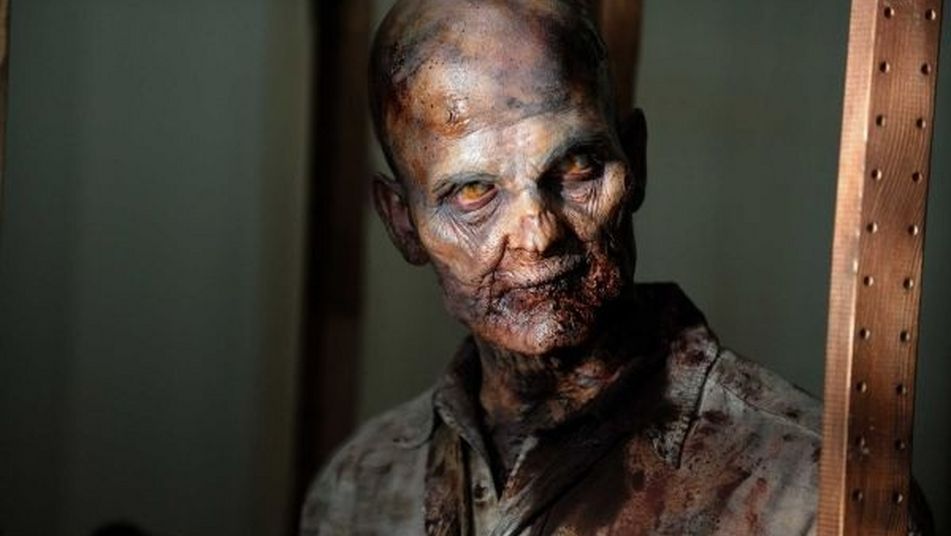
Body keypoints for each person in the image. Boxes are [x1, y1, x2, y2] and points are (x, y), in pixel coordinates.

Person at [301, 1, 930, 534]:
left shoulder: (811, 492)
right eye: (473, 193)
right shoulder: (361, 488)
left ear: (636, 162)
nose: (537, 235)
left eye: (575, 167)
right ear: (402, 223)